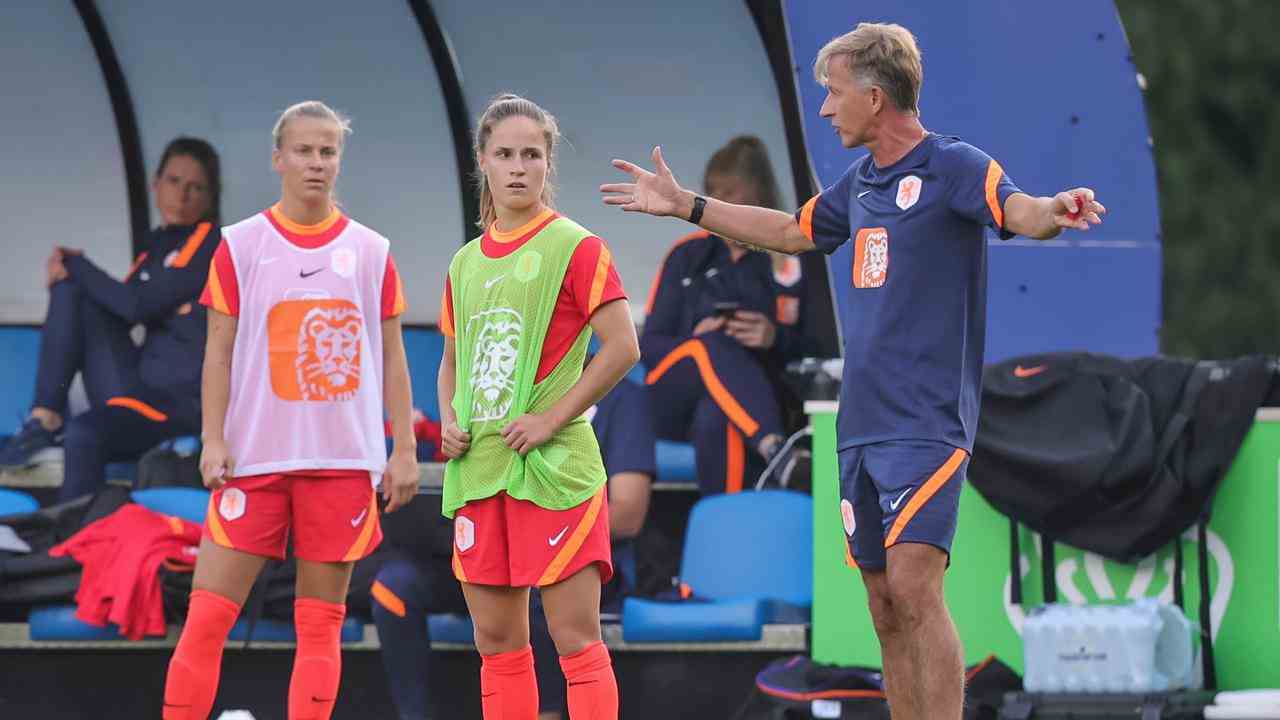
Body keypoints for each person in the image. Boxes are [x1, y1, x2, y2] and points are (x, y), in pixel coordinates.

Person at [601, 23, 1105, 720]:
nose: (825, 109)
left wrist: (1053, 210)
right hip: (859, 425)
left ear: (874, 96)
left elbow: (1018, 209)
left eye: (834, 94)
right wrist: (687, 204)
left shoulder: (954, 167)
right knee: (882, 600)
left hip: (926, 424)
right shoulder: (859, 186)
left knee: (915, 586)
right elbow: (786, 230)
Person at [160, 101, 419, 720]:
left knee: (321, 627)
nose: (316, 162)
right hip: (254, 458)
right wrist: (213, 439)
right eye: (304, 150)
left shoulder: (372, 250)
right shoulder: (240, 245)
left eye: (328, 151)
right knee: (205, 621)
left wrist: (404, 448)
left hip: (341, 462)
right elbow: (216, 354)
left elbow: (392, 356)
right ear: (278, 159)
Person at [439, 93, 639, 720]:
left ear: (548, 164)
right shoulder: (463, 263)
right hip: (480, 472)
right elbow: (454, 359)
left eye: (532, 154)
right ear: (484, 163)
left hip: (555, 471)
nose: (518, 166)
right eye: (505, 154)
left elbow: (622, 347)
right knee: (497, 645)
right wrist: (447, 418)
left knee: (575, 641)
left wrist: (552, 419)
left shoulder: (576, 247)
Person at [371, 375, 655, 720]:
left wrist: (535, 533)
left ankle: (546, 713)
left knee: (536, 594)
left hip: (564, 554)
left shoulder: (619, 395)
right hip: (481, 543)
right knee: (393, 589)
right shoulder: (490, 382)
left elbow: (628, 512)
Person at [0, 137, 222, 501]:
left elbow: (136, 306)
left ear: (210, 198)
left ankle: (75, 545)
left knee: (85, 433)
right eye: (173, 181)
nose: (182, 195)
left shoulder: (209, 242)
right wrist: (72, 274)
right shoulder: (156, 246)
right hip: (140, 391)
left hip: (176, 406)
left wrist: (75, 262)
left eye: (195, 187)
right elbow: (118, 306)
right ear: (155, 184)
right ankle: (45, 417)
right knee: (74, 291)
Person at [642, 135, 818, 494]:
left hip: (759, 401)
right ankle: (778, 453)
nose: (717, 200)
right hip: (673, 397)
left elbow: (823, 348)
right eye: (711, 190)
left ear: (758, 193)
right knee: (710, 344)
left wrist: (773, 338)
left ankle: (730, 528)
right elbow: (650, 346)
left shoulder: (791, 261)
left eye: (730, 191)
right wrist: (698, 339)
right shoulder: (686, 256)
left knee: (717, 414)